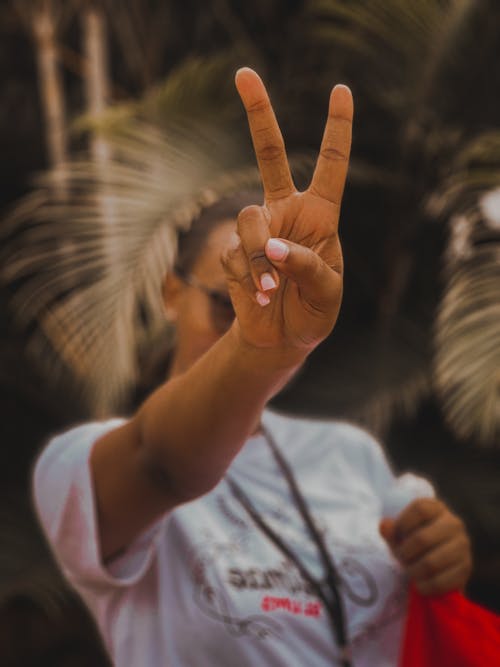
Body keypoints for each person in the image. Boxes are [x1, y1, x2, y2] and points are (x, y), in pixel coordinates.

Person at [32, 68, 472, 667]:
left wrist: (441, 553)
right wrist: (264, 347)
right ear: (169, 292)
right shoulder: (80, 466)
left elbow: (421, 580)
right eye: (225, 303)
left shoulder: (351, 455)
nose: (242, 319)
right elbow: (162, 466)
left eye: (256, 304)